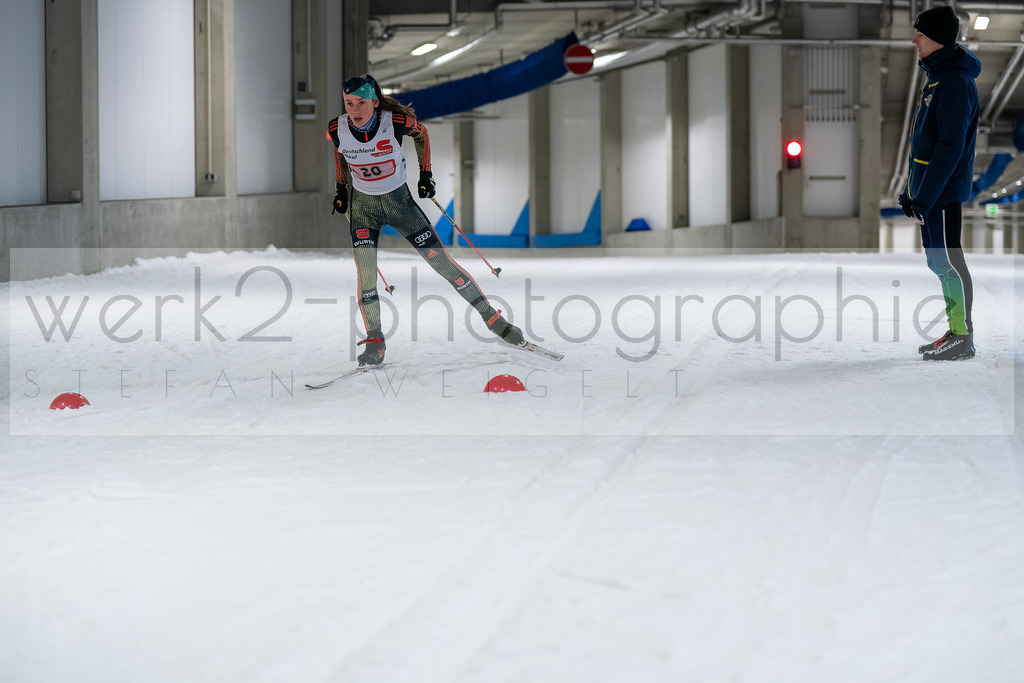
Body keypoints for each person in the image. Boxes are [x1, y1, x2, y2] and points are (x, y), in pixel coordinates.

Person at [327, 74, 523, 366]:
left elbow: (422, 135)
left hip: (401, 206)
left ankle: (494, 320)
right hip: (363, 210)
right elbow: (340, 155)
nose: (355, 110)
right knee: (366, 276)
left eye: (362, 103)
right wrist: (341, 189)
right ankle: (375, 341)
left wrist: (426, 174)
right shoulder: (337, 128)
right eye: (349, 103)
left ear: (375, 102)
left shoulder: (394, 121)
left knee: (444, 265)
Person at [898, 5, 980, 361]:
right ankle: (956, 329)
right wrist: (911, 191)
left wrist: (926, 196)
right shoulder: (937, 78)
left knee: (949, 262)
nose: (914, 40)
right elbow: (924, 145)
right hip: (930, 192)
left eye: (920, 34)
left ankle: (962, 336)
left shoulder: (954, 82)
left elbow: (949, 147)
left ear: (937, 38)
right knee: (939, 263)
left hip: (942, 193)